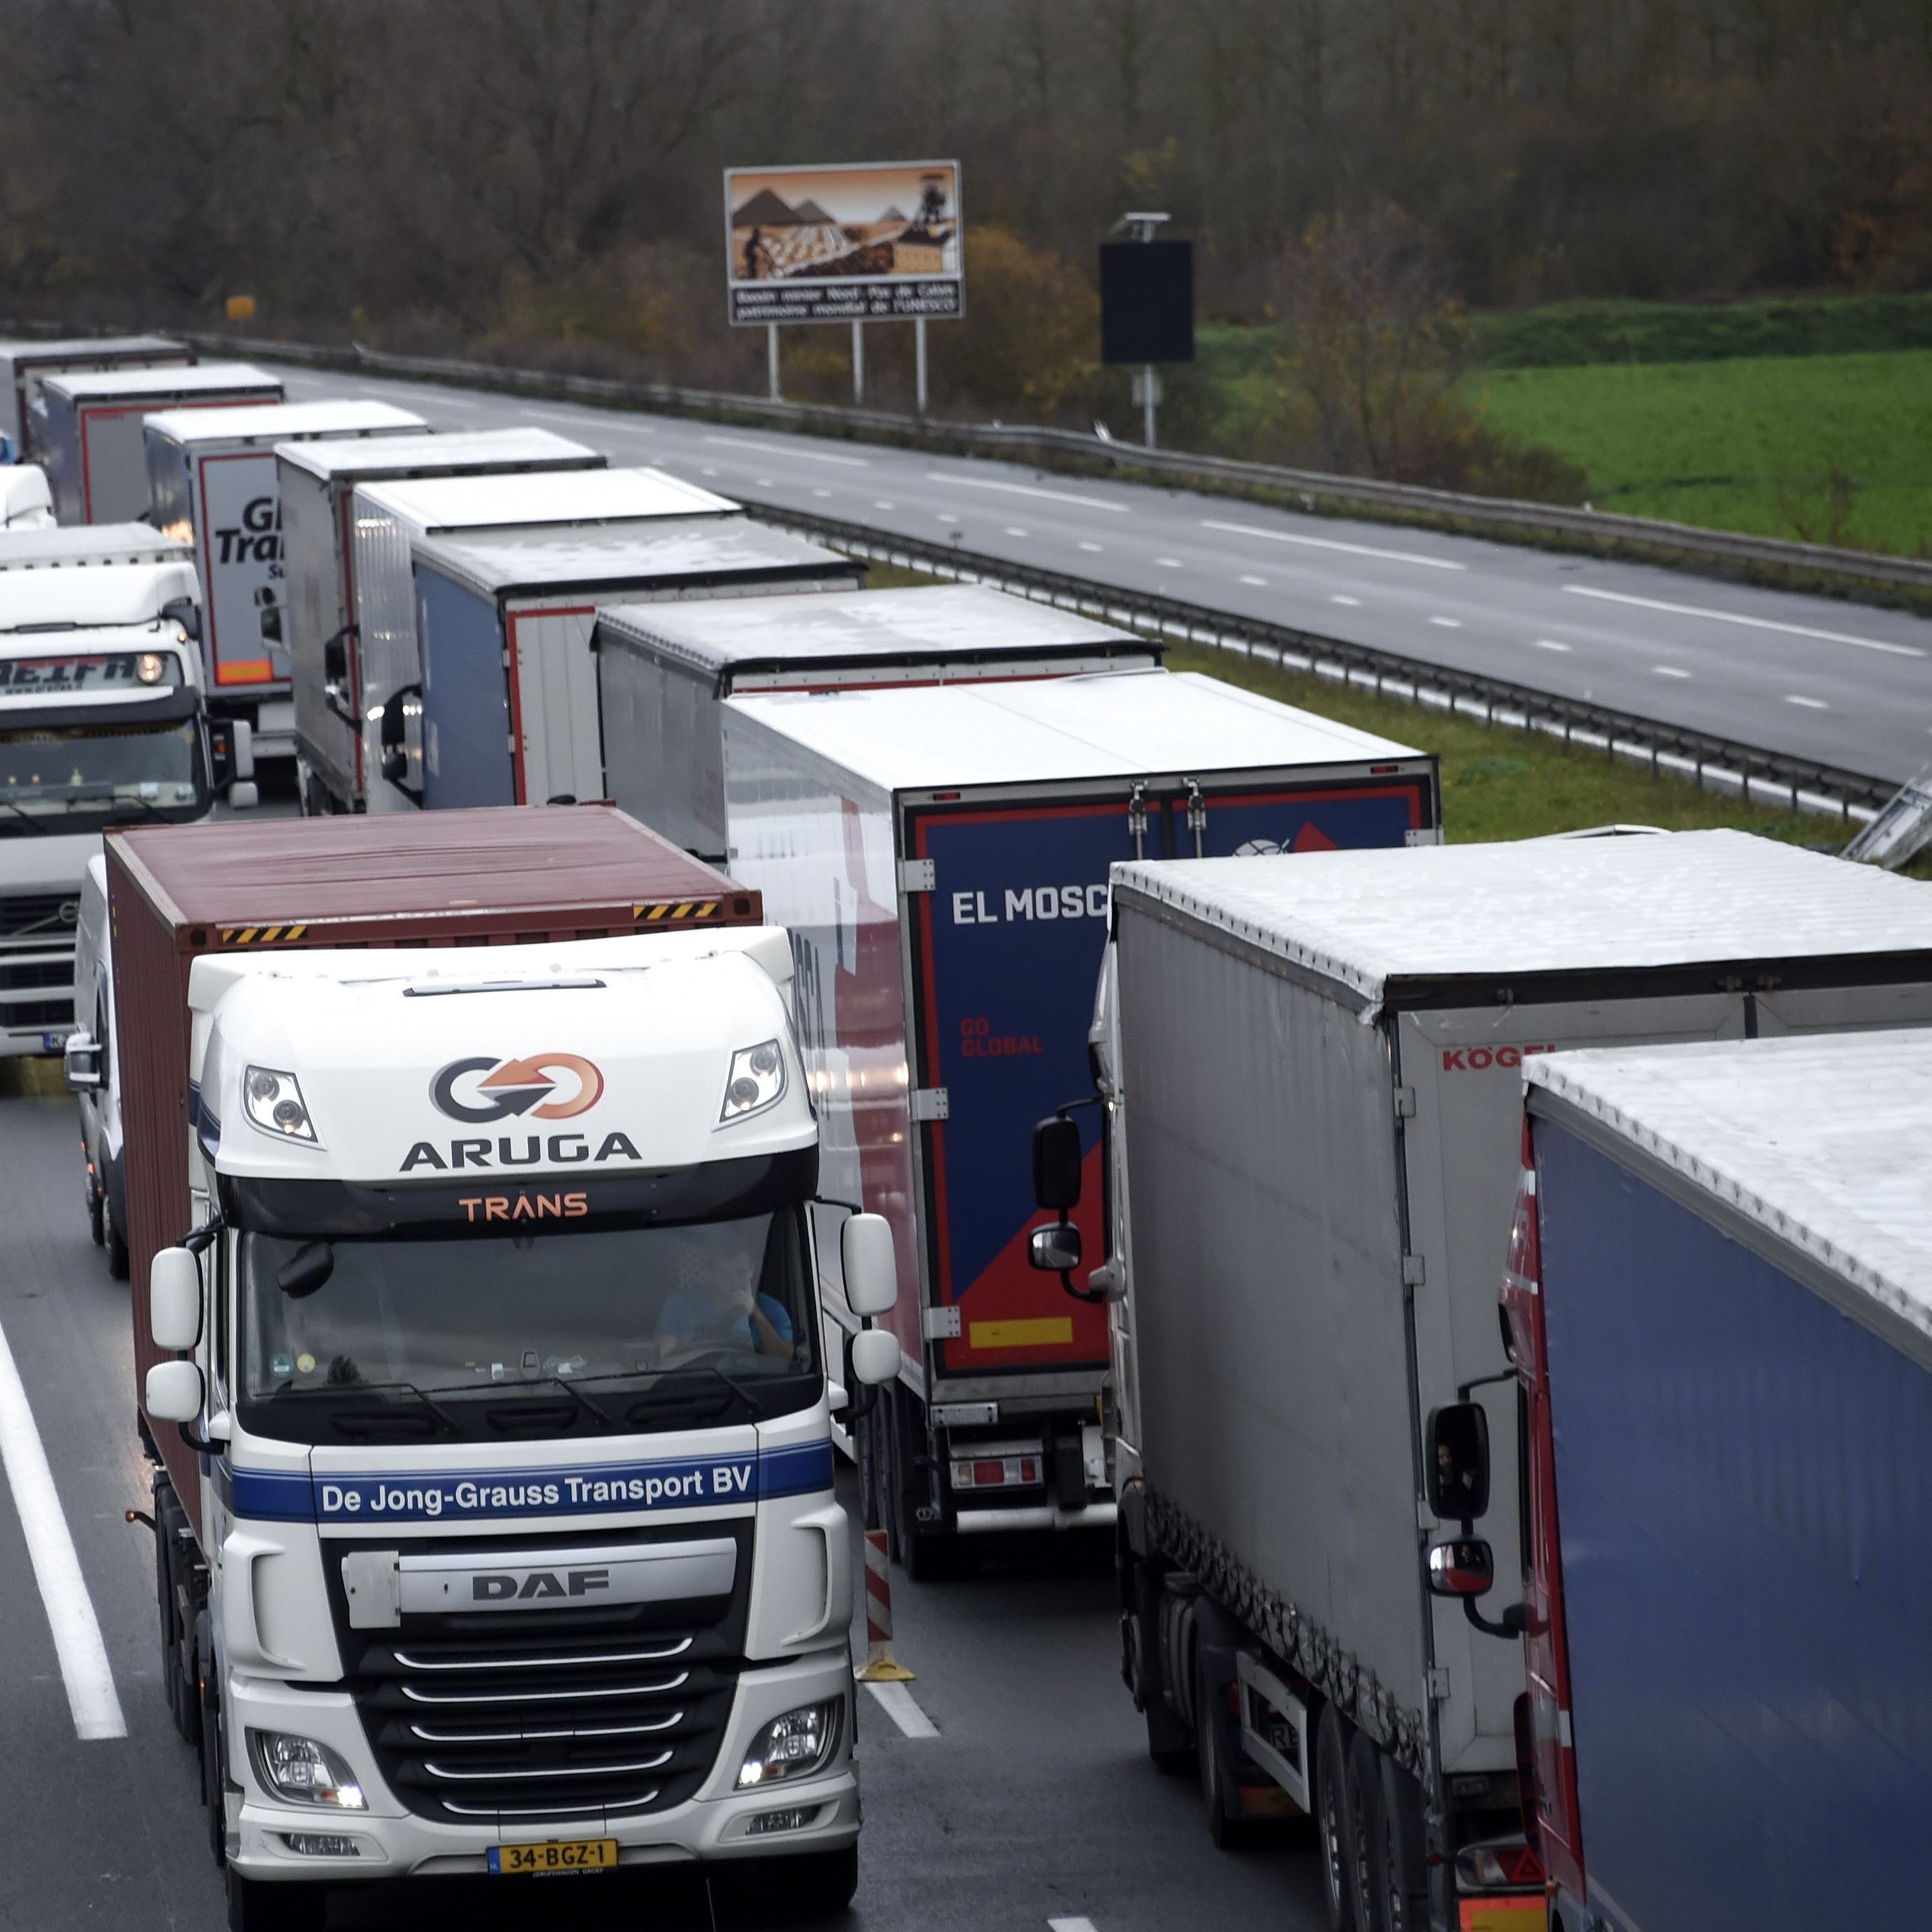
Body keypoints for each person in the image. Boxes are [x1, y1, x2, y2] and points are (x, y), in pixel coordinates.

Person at [656, 1246, 794, 1360]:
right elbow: (664, 1361)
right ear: (710, 1274)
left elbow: (785, 1359)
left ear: (752, 1269)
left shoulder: (771, 1309)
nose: (735, 1283)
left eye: (741, 1273)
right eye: (725, 1276)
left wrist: (755, 1312)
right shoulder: (679, 1305)